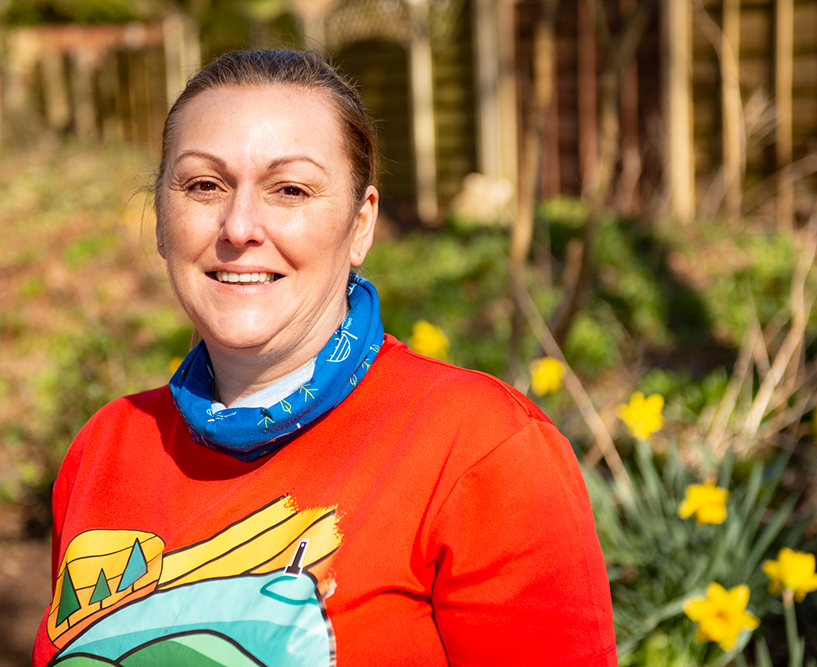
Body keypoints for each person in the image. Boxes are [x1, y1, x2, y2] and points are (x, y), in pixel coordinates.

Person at [32, 49, 617, 667]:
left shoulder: (478, 448)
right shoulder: (106, 449)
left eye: (290, 189)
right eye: (204, 185)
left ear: (361, 224)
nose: (238, 226)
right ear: (160, 219)